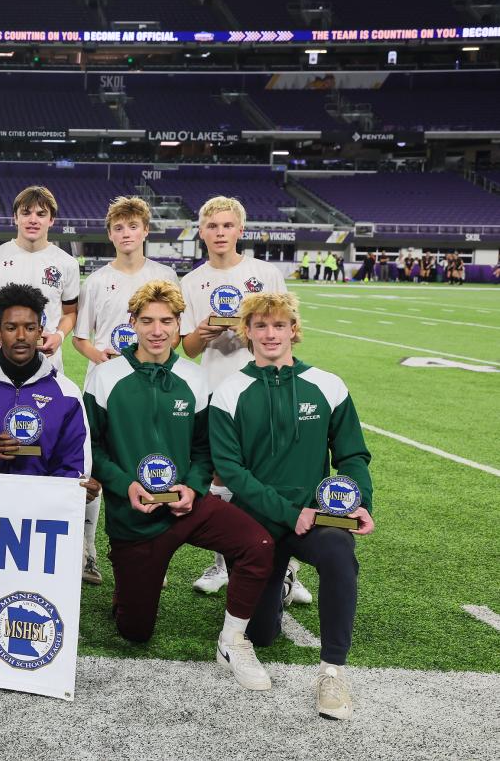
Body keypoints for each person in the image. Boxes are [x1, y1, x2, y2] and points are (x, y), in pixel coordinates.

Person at [83, 280, 275, 690]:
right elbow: (93, 447)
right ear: (132, 323)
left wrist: (192, 485)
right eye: (147, 321)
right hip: (135, 516)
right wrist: (124, 485)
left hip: (188, 506)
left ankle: (233, 639)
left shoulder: (194, 376)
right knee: (136, 632)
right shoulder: (105, 377)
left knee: (256, 543)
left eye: (166, 321)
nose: (157, 330)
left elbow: (205, 447)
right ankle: (127, 589)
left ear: (178, 325)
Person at [209, 292, 375, 720]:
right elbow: (231, 471)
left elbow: (353, 455)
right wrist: (288, 512)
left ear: (293, 330)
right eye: (260, 325)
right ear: (246, 331)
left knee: (340, 552)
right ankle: (275, 583)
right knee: (263, 635)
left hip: (313, 519)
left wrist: (359, 500)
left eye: (279, 325)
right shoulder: (230, 391)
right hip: (257, 521)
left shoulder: (327, 385)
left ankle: (333, 672)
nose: (270, 333)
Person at [178, 196, 308, 603]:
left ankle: (289, 565)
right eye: (212, 226)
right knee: (221, 475)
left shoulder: (264, 273)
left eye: (227, 226)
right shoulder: (192, 281)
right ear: (201, 232)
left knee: (276, 473)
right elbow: (189, 349)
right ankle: (222, 563)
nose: (220, 233)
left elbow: (286, 331)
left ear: (240, 230)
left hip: (267, 387)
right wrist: (204, 331)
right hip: (216, 390)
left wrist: (251, 334)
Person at [71, 196, 177, 584]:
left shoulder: (164, 274)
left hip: (151, 386)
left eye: (133, 226)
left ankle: (151, 550)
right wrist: (100, 355)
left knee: (149, 461)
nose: (126, 233)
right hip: (104, 383)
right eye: (118, 227)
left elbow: (174, 335)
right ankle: (87, 551)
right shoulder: (97, 280)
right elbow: (80, 339)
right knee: (95, 464)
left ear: (145, 231)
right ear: (110, 233)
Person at [0, 282, 98, 500]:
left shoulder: (66, 392)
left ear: (40, 331)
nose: (21, 336)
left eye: (30, 328)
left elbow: (73, 464)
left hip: (39, 515)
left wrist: (69, 489)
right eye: (11, 328)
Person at [0, 185, 80, 375]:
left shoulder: (67, 263)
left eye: (41, 214)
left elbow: (70, 312)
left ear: (51, 220)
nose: (33, 220)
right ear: (15, 217)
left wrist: (59, 336)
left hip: (48, 364)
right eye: (26, 213)